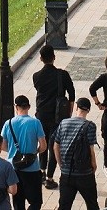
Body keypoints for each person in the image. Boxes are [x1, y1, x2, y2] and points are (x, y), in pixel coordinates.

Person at [32, 44, 76, 186]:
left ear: (41, 59)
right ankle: (50, 178)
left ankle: (42, 171)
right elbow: (72, 93)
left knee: (42, 143)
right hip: (58, 116)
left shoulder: (36, 76)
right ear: (54, 58)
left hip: (41, 115)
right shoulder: (62, 75)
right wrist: (69, 109)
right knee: (54, 145)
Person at [1, 95, 47, 210]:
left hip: (14, 168)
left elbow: (2, 146)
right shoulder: (36, 123)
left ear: (16, 107)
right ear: (29, 107)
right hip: (32, 168)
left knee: (18, 202)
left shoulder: (9, 123)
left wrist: (13, 152)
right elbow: (43, 146)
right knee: (36, 201)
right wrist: (35, 151)